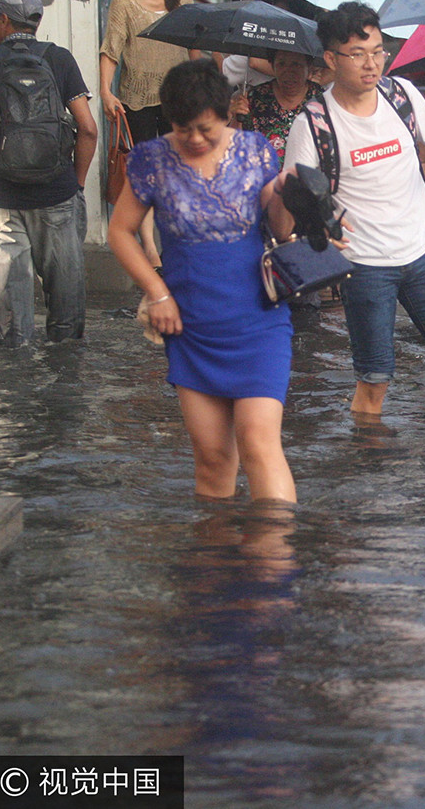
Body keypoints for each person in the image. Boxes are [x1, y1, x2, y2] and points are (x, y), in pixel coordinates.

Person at [282, 1, 425, 425]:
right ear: (330, 58)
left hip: (424, 254)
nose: (372, 63)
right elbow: (293, 193)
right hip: (364, 265)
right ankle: (368, 475)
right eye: (358, 54)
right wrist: (319, 220)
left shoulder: (401, 94)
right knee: (374, 381)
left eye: (379, 51)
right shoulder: (314, 122)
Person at [107, 59, 297, 502]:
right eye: (182, 127)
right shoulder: (151, 160)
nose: (194, 138)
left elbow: (283, 231)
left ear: (227, 113)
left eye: (205, 128)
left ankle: (274, 560)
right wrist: (157, 293)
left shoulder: (255, 151)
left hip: (258, 318)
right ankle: (215, 562)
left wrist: (290, 193)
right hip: (190, 322)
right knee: (211, 455)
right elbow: (120, 232)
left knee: (258, 442)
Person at [0, 0, 98, 347]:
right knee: (66, 297)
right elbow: (88, 129)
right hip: (57, 191)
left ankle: (16, 381)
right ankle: (66, 377)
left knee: (10, 306)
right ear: (37, 23)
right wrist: (74, 185)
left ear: (3, 21)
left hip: (1, 196)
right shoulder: (59, 59)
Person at [99, 0, 196, 270]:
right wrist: (105, 92)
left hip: (177, 96)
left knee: (178, 170)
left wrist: (202, 84)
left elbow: (194, 40)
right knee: (144, 174)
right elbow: (111, 49)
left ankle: (176, 243)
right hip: (136, 99)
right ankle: (151, 251)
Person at [232, 51, 322, 165]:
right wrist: (237, 116)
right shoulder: (255, 97)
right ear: (272, 66)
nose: (289, 71)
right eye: (281, 64)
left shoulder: (322, 100)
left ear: (309, 67)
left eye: (296, 64)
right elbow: (234, 145)